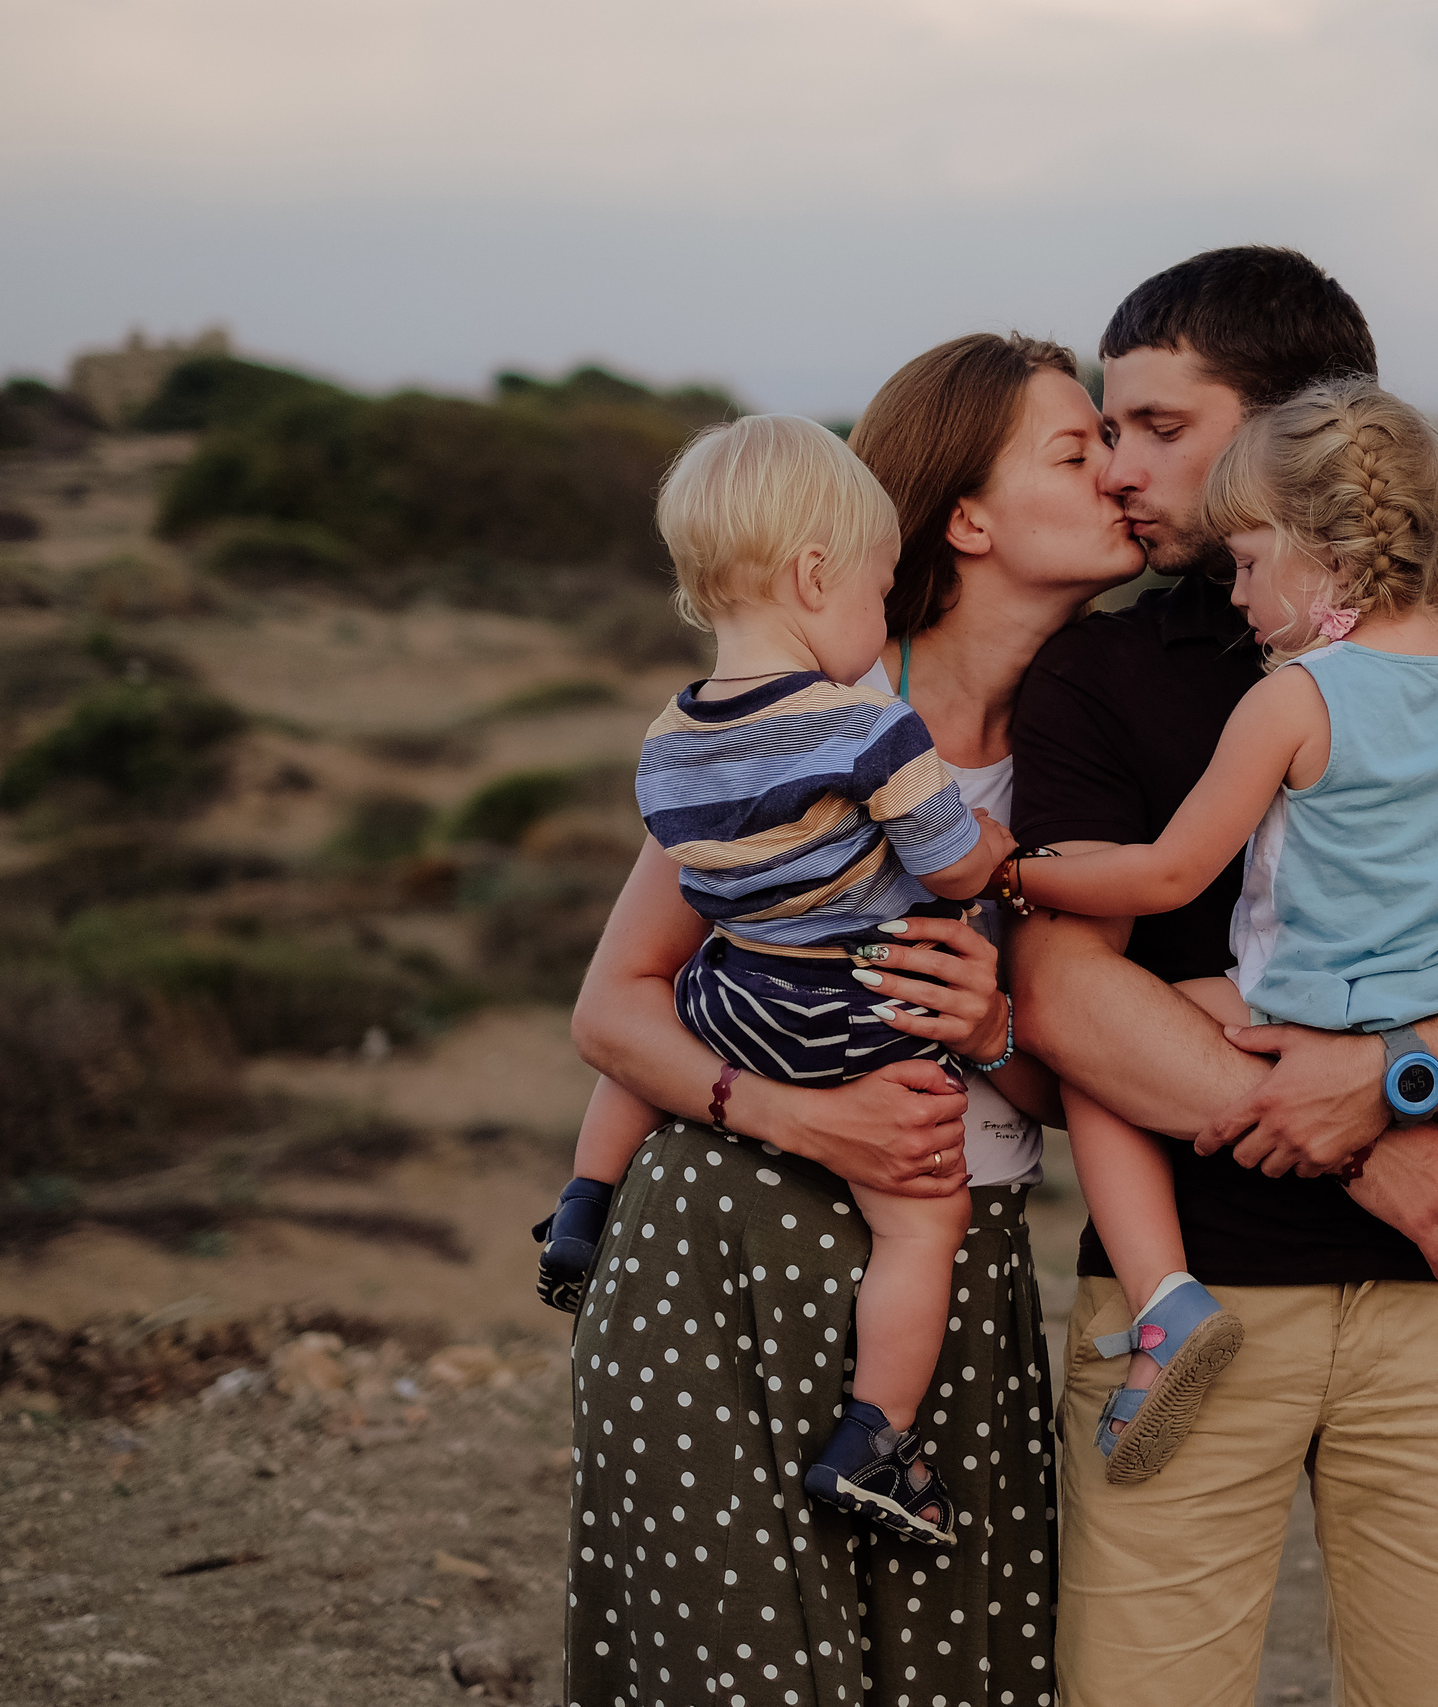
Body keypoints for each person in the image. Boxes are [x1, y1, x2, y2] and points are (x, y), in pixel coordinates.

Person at [1010, 248, 1438, 1706]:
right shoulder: (1093, 675)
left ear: (1294, 434)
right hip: (1182, 1304)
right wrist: (1355, 1141)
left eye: (1157, 427)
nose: (1118, 463)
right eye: (1107, 428)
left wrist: (1391, 1075)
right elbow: (1063, 997)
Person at [559, 332, 1143, 1706]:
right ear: (968, 516)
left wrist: (1002, 1029)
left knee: (948, 1670)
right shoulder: (820, 720)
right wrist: (805, 1113)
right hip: (721, 1250)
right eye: (1079, 449)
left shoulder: (1112, 750)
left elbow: (1106, 1097)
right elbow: (612, 1003)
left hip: (951, 1260)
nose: (1121, 475)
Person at [533, 413, 1019, 1544]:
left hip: (734, 996)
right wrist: (993, 860)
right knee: (921, 1225)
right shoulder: (869, 724)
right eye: (876, 586)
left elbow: (693, 898)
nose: (879, 615)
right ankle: (876, 1441)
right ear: (814, 573)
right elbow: (947, 866)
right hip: (853, 1007)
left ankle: (581, 1209)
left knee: (658, 1040)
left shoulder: (669, 737)